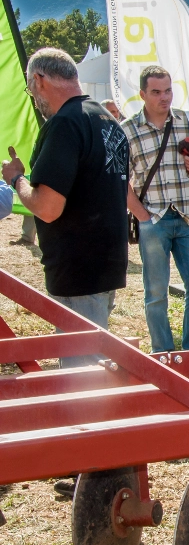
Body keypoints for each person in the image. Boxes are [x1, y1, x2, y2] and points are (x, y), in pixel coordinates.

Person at [0, 48, 129, 361]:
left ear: (40, 80)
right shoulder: (105, 118)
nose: (34, 97)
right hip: (106, 262)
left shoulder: (64, 124)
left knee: (80, 377)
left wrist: (17, 178)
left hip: (78, 269)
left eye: (31, 88)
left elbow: (47, 207)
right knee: (92, 361)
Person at [121, 65, 189, 353]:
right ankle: (163, 353)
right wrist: (144, 219)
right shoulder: (128, 130)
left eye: (168, 90)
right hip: (154, 220)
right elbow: (120, 182)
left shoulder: (188, 121)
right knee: (156, 294)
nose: (165, 97)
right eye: (157, 92)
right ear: (142, 94)